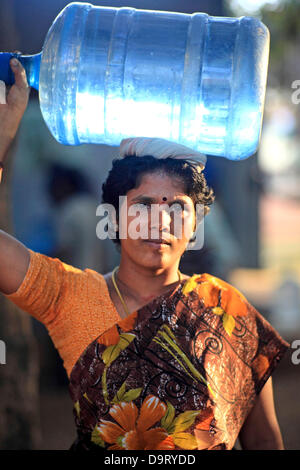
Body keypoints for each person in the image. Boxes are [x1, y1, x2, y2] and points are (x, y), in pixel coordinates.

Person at [0, 59, 289, 451]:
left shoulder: (228, 310)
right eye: (143, 205)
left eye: (177, 209)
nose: (160, 222)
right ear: (113, 217)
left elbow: (265, 439)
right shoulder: (68, 295)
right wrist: (5, 130)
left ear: (195, 224)